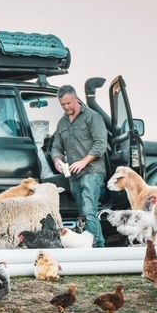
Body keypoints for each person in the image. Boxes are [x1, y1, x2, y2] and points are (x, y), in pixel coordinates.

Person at [51, 85, 108, 248]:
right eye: (63, 104)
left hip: (92, 171)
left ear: (76, 99)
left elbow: (101, 144)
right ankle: (100, 245)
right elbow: (56, 147)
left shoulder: (92, 117)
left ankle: (95, 248)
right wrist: (57, 161)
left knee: (90, 211)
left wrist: (84, 161)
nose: (66, 107)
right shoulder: (62, 123)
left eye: (69, 103)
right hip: (73, 175)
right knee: (84, 213)